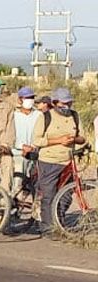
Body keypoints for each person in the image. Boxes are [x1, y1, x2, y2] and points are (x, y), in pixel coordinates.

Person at [32, 88, 87, 236]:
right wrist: (58, 141)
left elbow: (83, 137)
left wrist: (74, 140)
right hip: (49, 161)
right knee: (48, 195)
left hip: (68, 162)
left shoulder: (74, 116)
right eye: (64, 103)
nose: (67, 106)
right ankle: (47, 228)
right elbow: (36, 140)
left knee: (66, 196)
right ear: (55, 103)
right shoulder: (45, 117)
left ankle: (59, 223)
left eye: (69, 103)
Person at [12, 86, 41, 193]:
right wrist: (21, 147)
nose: (30, 100)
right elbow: (10, 136)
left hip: (35, 154)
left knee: (37, 185)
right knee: (18, 182)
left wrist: (33, 147)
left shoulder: (39, 115)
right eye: (27, 98)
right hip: (18, 154)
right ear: (20, 99)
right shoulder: (13, 116)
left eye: (31, 97)